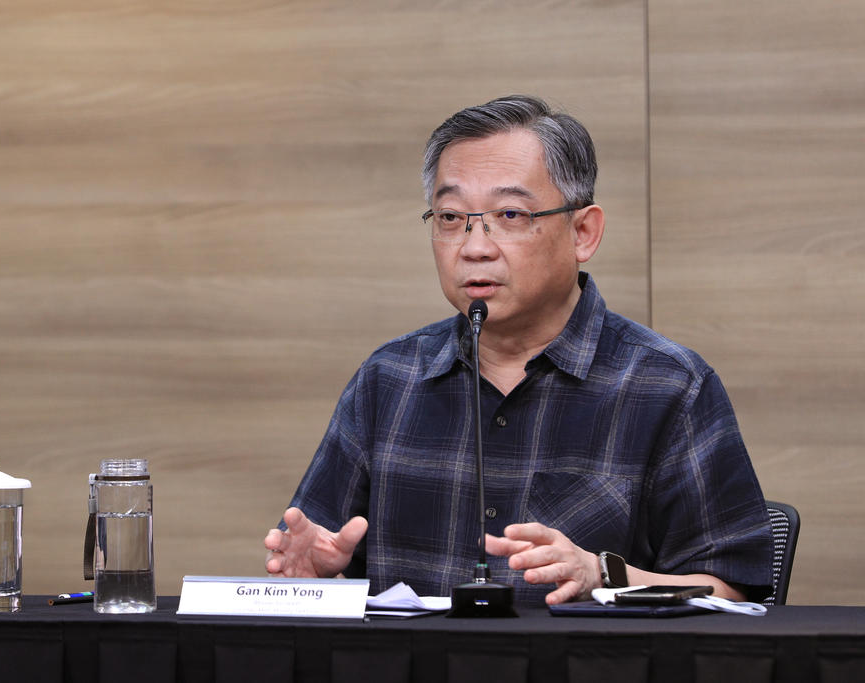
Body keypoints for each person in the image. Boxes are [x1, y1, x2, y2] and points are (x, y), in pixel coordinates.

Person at [263, 95, 773, 606]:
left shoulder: (667, 384)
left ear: (583, 232)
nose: (474, 246)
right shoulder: (388, 378)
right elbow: (319, 554)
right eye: (449, 217)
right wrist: (313, 582)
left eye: (509, 214)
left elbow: (734, 591)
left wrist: (603, 575)